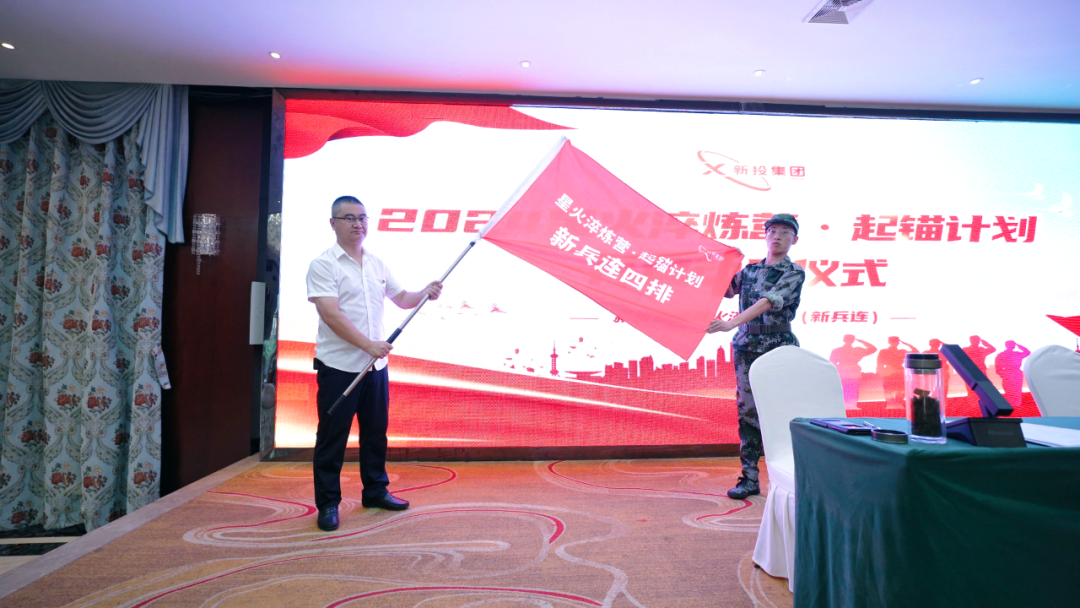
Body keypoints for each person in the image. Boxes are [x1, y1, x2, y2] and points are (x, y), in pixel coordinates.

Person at [307, 195, 442, 531]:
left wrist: (424, 292)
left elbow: (402, 298)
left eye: (362, 217)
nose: (358, 224)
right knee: (332, 437)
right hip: (339, 367)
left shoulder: (377, 263)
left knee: (375, 433)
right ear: (333, 223)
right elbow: (331, 315)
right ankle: (328, 503)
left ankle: (375, 491)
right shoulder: (323, 264)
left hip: (375, 368)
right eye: (349, 218)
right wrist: (368, 345)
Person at [707, 213, 805, 500]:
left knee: (782, 410)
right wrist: (722, 262)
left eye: (785, 232)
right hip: (746, 347)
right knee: (747, 411)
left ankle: (790, 475)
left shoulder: (793, 272)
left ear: (794, 239)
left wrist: (731, 323)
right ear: (765, 236)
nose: (777, 236)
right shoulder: (750, 271)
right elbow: (723, 290)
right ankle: (749, 477)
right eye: (772, 231)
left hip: (778, 347)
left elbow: (768, 302)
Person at [830, 335, 877, 410]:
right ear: (853, 340)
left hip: (843, 370)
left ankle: (846, 405)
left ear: (844, 340)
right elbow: (873, 349)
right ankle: (851, 405)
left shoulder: (837, 350)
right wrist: (862, 341)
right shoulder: (857, 350)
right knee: (853, 388)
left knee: (845, 388)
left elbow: (832, 362)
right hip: (853, 370)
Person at [877, 337, 918, 410]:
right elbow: (879, 362)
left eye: (896, 341)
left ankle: (897, 403)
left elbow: (915, 352)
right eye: (893, 341)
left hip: (897, 372)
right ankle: (891, 404)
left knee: (900, 389)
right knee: (890, 389)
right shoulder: (884, 351)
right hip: (890, 372)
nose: (895, 343)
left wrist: (907, 344)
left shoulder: (902, 351)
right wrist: (881, 371)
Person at [994, 340, 1031, 407]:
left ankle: (1016, 405)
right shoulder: (1002, 355)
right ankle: (1013, 405)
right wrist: (1019, 346)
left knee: (1016, 390)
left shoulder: (1015, 354)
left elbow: (1028, 353)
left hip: (1015, 374)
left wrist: (1003, 374)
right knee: (1010, 391)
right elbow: (998, 368)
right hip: (1010, 373)